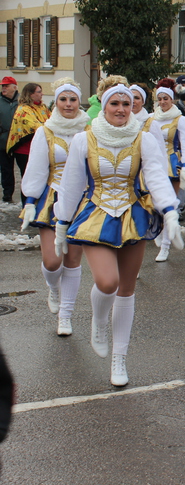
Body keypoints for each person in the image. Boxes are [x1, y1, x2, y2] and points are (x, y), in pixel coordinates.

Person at [53, 82, 182, 386]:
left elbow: (156, 176)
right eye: (115, 104)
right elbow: (71, 184)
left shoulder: (143, 138)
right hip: (96, 214)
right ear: (104, 105)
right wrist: (61, 223)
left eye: (126, 104)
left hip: (133, 215)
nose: (121, 109)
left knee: (126, 289)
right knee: (107, 282)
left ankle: (119, 358)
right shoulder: (84, 139)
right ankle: (99, 320)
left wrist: (170, 211)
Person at [19, 78, 89, 336]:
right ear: (55, 102)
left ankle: (65, 316)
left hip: (81, 200)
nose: (68, 104)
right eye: (63, 99)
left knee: (72, 260)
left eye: (73, 99)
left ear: (79, 102)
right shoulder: (45, 131)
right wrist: (30, 200)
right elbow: (36, 167)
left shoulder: (89, 131)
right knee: (52, 261)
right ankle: (53, 288)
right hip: (52, 198)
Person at [143, 82, 185, 263]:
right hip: (153, 164)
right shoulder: (151, 118)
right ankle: (159, 230)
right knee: (154, 204)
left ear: (172, 100)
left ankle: (165, 246)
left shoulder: (180, 119)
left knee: (169, 205)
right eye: (159, 99)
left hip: (172, 164)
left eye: (165, 98)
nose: (162, 102)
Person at [7, 83, 51, 205]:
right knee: (28, 179)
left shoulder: (43, 107)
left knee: (41, 179)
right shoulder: (23, 110)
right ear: (31, 94)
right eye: (39, 92)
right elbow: (35, 126)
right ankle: (26, 206)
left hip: (41, 149)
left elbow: (52, 120)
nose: (42, 94)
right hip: (24, 151)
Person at [0, 76, 19, 203]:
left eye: (6, 86)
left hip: (19, 141)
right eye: (3, 86)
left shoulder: (21, 102)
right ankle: (7, 195)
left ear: (14, 87)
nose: (4, 88)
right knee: (6, 170)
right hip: (3, 141)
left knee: (25, 169)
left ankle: (27, 195)